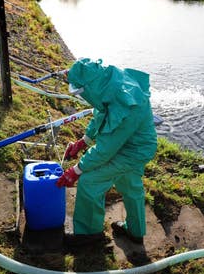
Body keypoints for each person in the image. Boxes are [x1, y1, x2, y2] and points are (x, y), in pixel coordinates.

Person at [56, 58, 158, 246]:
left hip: (132, 151)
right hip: (138, 144)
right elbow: (101, 113)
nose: (81, 97)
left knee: (89, 180)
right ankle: (135, 232)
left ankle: (89, 235)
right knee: (130, 185)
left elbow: (105, 151)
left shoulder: (127, 104)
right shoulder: (108, 82)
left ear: (89, 87)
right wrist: (84, 141)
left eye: (80, 92)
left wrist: (76, 170)